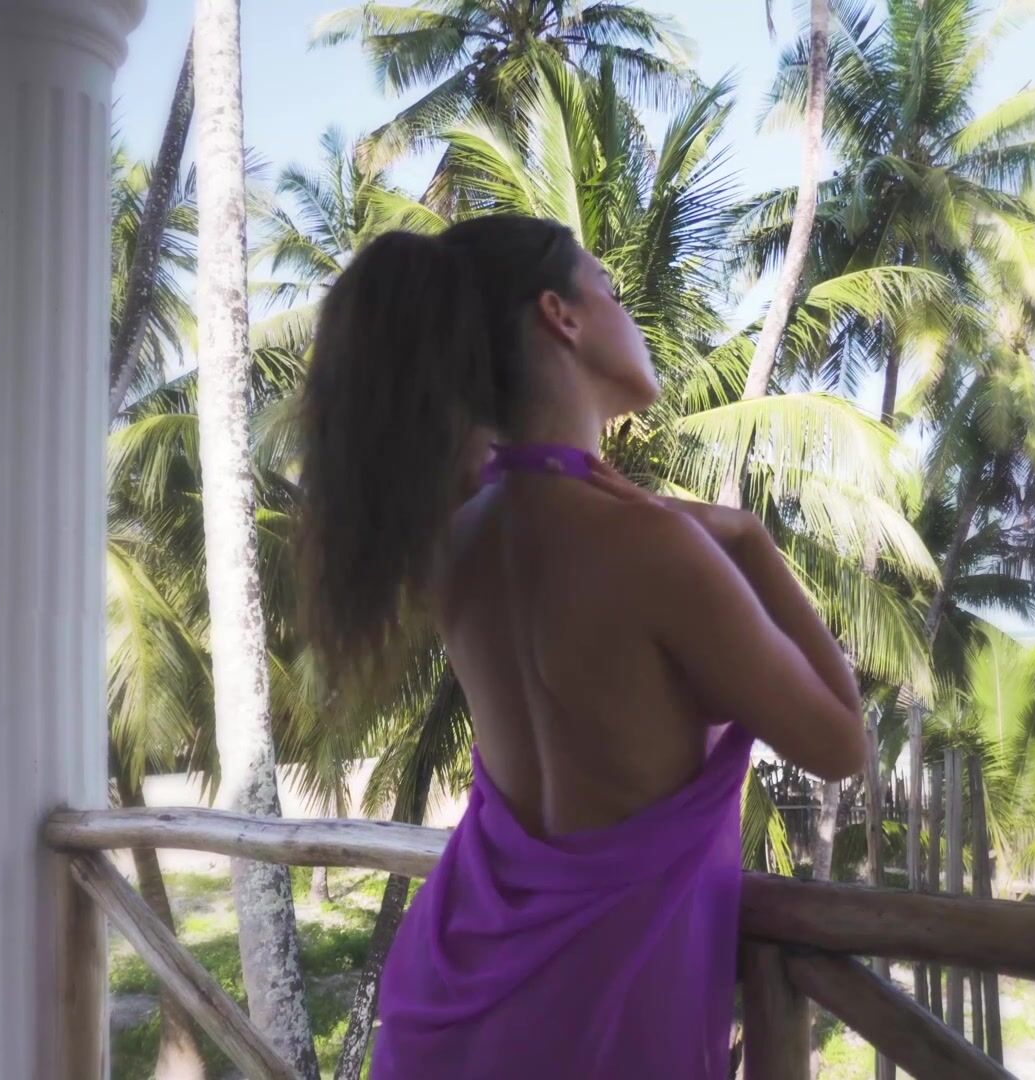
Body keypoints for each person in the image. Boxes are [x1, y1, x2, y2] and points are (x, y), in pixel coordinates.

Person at [296, 214, 866, 1079]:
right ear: (560, 315)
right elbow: (841, 743)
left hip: (457, 1003)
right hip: (603, 1026)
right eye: (611, 289)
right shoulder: (653, 547)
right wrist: (747, 539)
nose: (625, 312)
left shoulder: (455, 543)